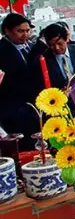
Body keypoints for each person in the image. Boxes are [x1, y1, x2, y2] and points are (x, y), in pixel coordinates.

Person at [0, 14, 37, 150]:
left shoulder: (30, 46)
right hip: (14, 110)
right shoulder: (3, 51)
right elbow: (20, 74)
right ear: (7, 31)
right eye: (20, 31)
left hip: (33, 107)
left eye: (28, 31)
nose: (25, 35)